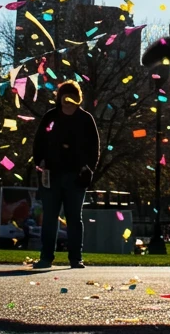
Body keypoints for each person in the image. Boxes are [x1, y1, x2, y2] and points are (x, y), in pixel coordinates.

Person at [31, 80, 100, 270]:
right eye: (65, 96)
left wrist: (88, 168)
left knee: (74, 218)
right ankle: (46, 257)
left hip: (76, 177)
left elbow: (94, 148)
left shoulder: (85, 119)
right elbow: (39, 142)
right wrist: (40, 161)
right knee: (50, 217)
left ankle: (76, 258)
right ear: (60, 98)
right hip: (51, 175)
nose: (68, 101)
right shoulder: (50, 117)